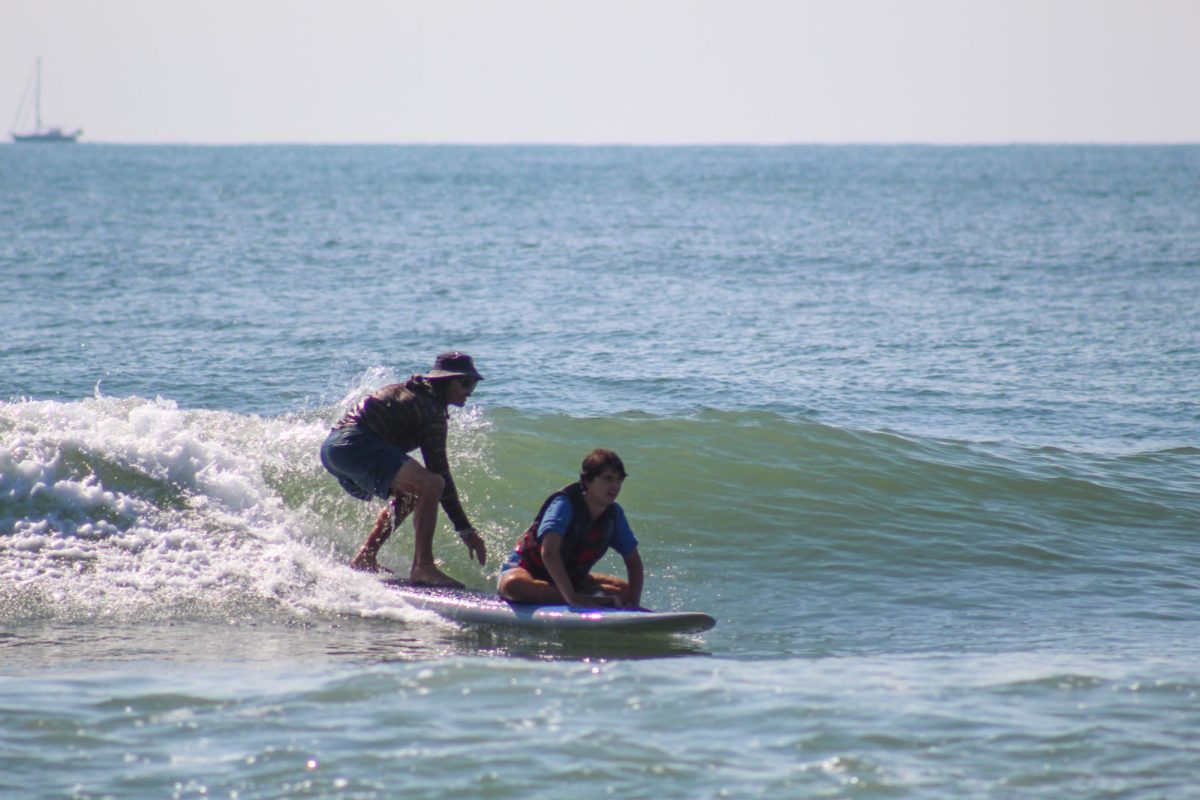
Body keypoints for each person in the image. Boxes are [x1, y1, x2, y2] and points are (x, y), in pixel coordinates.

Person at [320, 351, 488, 588]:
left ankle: (365, 558)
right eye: (466, 382)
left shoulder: (415, 393)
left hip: (333, 449)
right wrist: (465, 530)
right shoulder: (430, 409)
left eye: (474, 383)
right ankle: (423, 567)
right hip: (353, 444)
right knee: (432, 484)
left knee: (413, 492)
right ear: (446, 381)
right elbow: (441, 475)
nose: (471, 390)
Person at [498, 449, 644, 609]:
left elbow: (634, 564)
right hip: (529, 570)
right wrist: (574, 599)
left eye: (619, 480)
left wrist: (633, 606)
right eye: (608, 479)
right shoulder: (564, 504)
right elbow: (549, 553)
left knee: (626, 591)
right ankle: (588, 598)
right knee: (514, 586)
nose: (615, 486)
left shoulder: (614, 515)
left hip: (570, 578)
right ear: (588, 480)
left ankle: (580, 597)